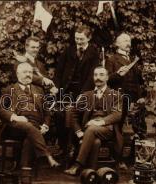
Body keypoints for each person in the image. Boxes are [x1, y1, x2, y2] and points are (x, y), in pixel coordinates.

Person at [0, 62, 60, 169]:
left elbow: (47, 112)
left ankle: (24, 169)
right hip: (15, 126)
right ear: (17, 74)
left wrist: (45, 125)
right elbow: (0, 109)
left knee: (29, 137)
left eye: (30, 72)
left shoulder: (39, 90)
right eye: (25, 72)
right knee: (29, 127)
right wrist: (15, 117)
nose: (28, 74)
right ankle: (48, 156)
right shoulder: (9, 89)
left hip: (35, 125)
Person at [64, 67, 123, 175]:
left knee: (91, 129)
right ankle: (91, 172)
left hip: (107, 129)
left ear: (107, 77)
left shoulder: (116, 95)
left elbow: (117, 114)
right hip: (89, 130)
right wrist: (78, 132)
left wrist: (99, 122)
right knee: (96, 142)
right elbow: (73, 113)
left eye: (101, 75)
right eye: (95, 75)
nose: (98, 78)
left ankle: (77, 165)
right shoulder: (87, 95)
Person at [54, 25, 100, 161]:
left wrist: (84, 94)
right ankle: (63, 147)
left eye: (81, 39)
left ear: (89, 38)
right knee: (59, 116)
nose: (78, 42)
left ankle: (75, 149)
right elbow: (58, 71)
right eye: (76, 38)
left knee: (77, 117)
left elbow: (92, 76)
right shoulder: (69, 50)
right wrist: (56, 87)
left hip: (83, 92)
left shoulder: (93, 53)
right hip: (66, 91)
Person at [105, 33, 145, 168]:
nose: (128, 43)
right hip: (119, 98)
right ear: (117, 44)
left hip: (134, 100)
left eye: (129, 40)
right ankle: (117, 159)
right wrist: (117, 74)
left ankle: (132, 159)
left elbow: (138, 81)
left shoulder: (133, 59)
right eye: (125, 41)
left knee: (138, 128)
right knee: (118, 128)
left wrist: (140, 96)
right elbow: (107, 81)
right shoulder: (111, 60)